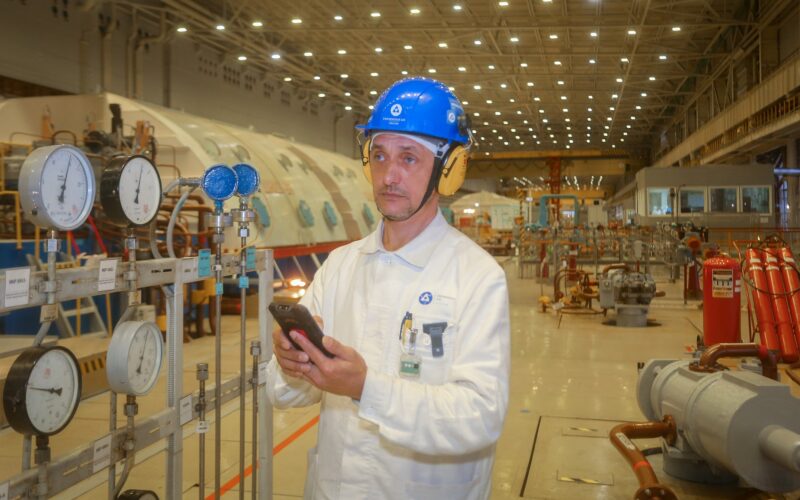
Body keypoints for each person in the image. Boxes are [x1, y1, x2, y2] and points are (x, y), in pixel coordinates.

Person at [266, 77, 510, 500]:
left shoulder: (477, 277)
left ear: (448, 170)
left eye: (409, 158)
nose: (389, 175)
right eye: (379, 155)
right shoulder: (340, 267)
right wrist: (292, 364)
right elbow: (281, 393)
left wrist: (366, 388)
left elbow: (481, 416)